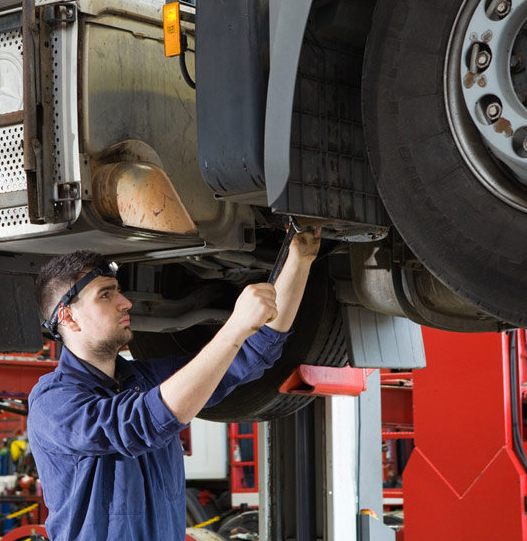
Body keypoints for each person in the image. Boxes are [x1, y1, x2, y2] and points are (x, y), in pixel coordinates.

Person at [26, 229, 320, 541]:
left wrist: (299, 261)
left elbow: (252, 355)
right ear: (69, 318)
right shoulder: (52, 402)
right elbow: (138, 425)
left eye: (118, 291)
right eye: (106, 294)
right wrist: (233, 328)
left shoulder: (144, 382)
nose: (126, 303)